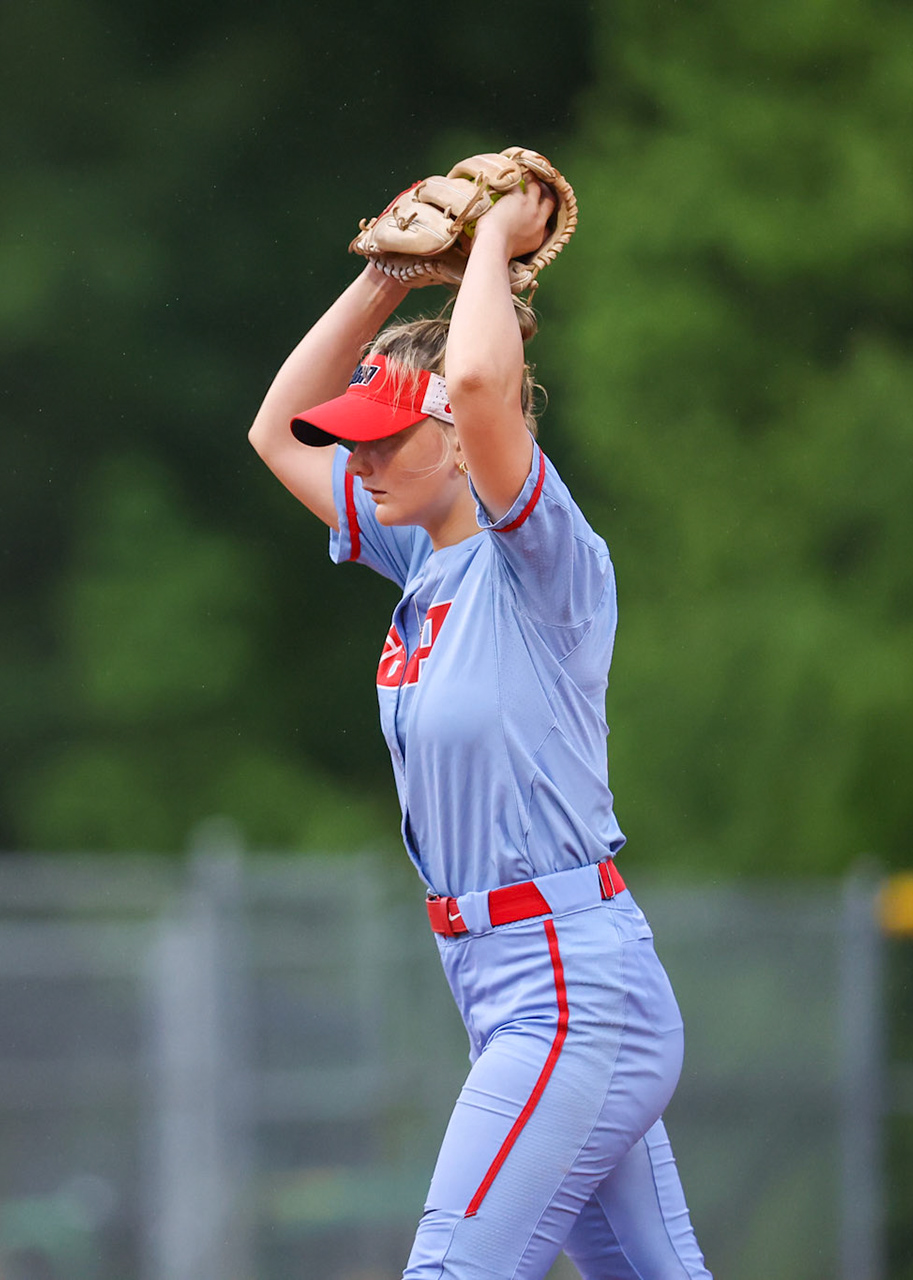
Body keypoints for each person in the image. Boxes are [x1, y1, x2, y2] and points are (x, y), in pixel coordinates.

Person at [247, 181, 714, 1279]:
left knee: (452, 1269)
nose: (360, 460)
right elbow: (277, 432)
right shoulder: (425, 558)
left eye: (386, 438)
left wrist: (499, 244)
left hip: (569, 993)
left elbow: (474, 381)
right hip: (507, 981)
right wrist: (388, 281)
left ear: (460, 441)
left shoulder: (541, 559)